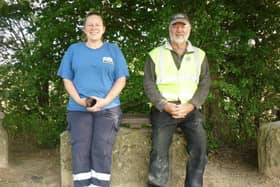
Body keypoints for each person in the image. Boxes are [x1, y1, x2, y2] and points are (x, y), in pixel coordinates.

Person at [57, 12, 129, 187]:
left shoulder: (113, 50)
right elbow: (67, 79)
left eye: (97, 24)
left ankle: (98, 185)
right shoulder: (74, 50)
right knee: (80, 148)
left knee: (101, 147)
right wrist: (80, 101)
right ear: (84, 28)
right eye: (90, 24)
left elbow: (121, 79)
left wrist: (105, 101)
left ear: (103, 29)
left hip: (108, 108)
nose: (94, 28)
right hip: (78, 107)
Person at [144, 13, 211, 187]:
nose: (179, 29)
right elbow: (149, 84)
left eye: (183, 26)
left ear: (189, 29)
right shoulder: (155, 54)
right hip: (164, 109)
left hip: (190, 110)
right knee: (158, 151)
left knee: (200, 149)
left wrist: (191, 105)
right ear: (170, 28)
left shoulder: (200, 55)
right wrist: (164, 104)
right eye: (175, 26)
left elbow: (205, 84)